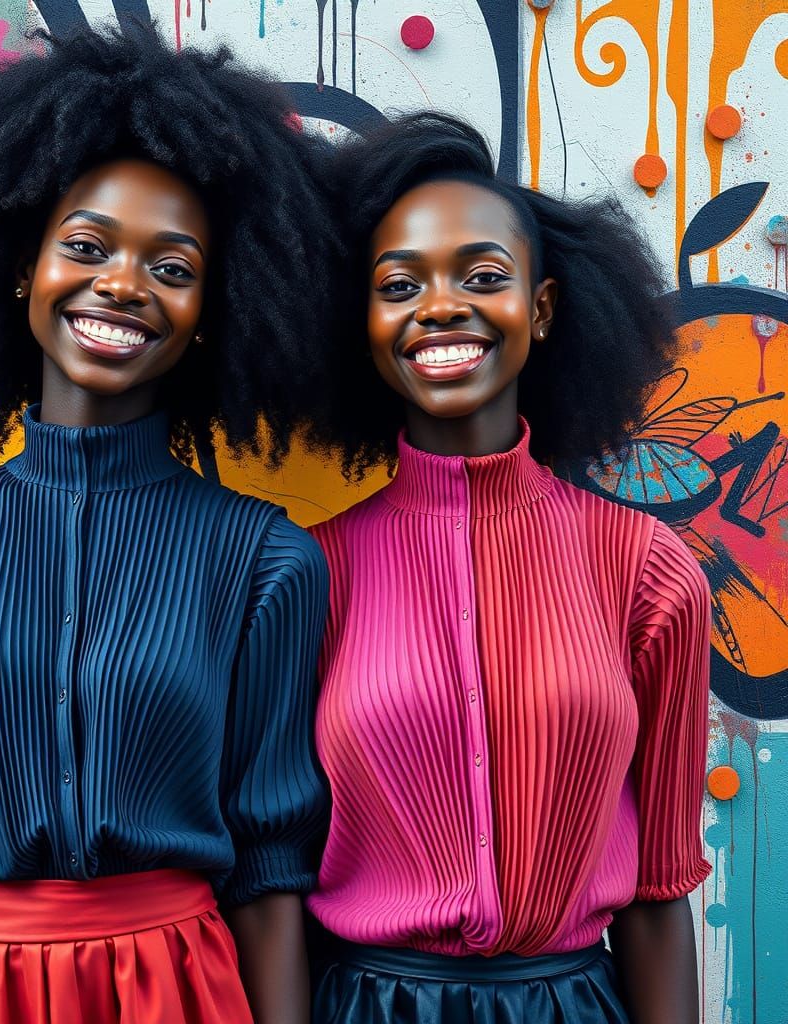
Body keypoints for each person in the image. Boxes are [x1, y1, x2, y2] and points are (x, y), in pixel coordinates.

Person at [0, 25, 336, 1024]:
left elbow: (271, 873)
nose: (124, 285)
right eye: (87, 247)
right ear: (22, 268)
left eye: (171, 266)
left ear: (210, 308)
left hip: (183, 991)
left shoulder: (266, 562)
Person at [304, 112, 711, 1024]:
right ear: (365, 323)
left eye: (483, 277)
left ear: (542, 307)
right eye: (399, 283)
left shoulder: (646, 571)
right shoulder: (311, 574)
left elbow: (658, 894)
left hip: (572, 1003)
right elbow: (277, 874)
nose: (440, 306)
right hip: (366, 1006)